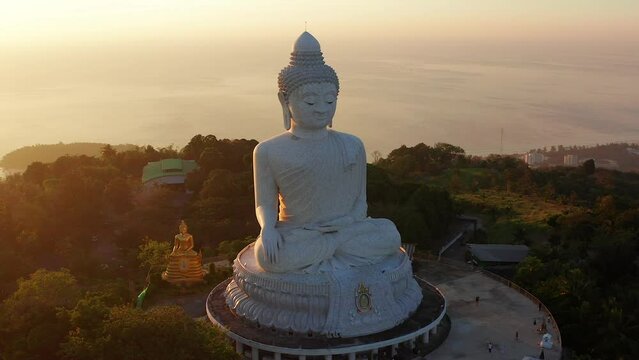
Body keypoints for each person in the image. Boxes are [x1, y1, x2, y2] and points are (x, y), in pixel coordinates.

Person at [252, 32, 400, 273]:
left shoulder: (352, 144)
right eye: (310, 102)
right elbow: (265, 203)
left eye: (330, 101)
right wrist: (268, 229)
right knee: (268, 255)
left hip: (346, 229)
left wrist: (347, 222)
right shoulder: (268, 150)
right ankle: (333, 248)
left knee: (389, 233)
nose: (322, 109)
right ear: (284, 100)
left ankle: (330, 247)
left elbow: (360, 202)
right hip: (299, 233)